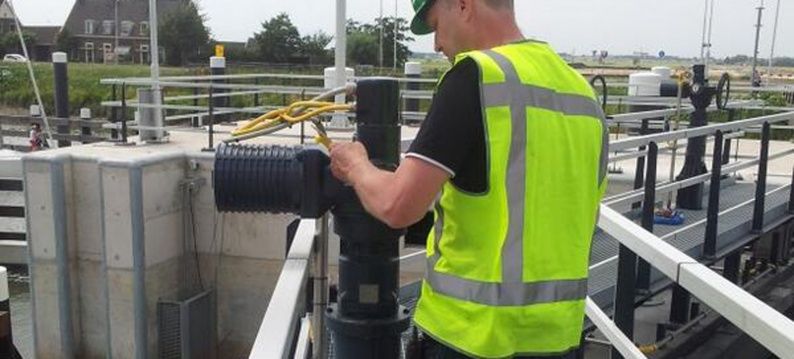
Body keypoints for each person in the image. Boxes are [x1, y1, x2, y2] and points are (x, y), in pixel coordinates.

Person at [330, 0, 608, 357]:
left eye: (435, 25)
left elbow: (397, 205)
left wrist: (355, 166)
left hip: (469, 337)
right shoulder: (582, 94)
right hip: (558, 340)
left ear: (461, 5)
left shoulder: (475, 76)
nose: (436, 44)